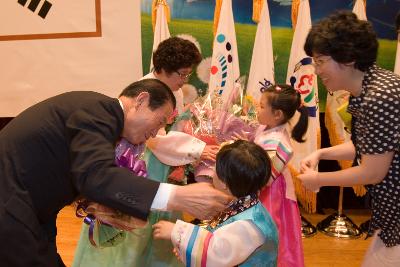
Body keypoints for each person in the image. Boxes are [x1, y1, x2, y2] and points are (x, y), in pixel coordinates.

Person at [0, 78, 231, 267]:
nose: (155, 133)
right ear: (141, 100)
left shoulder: (99, 114)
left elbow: (78, 172)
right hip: (11, 204)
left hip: (27, 206)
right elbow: (94, 175)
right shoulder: (98, 112)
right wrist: (178, 197)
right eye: (160, 121)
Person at [73, 37, 219, 267]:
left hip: (164, 164)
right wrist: (197, 147)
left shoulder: (172, 90)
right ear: (163, 69)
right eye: (181, 74)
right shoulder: (147, 92)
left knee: (156, 226)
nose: (184, 80)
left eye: (187, 75)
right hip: (139, 162)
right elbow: (155, 139)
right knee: (133, 222)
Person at [298, 10, 400, 266]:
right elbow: (372, 145)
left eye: (320, 61)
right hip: (390, 217)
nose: (317, 70)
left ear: (349, 58)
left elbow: (372, 172)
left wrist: (318, 179)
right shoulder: (368, 88)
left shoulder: (379, 97)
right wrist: (323, 153)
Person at [153, 140, 278, 267]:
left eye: (215, 169)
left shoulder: (248, 225)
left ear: (224, 184)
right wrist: (188, 247)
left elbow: (215, 255)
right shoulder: (244, 202)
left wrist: (175, 232)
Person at [251, 84, 307, 267]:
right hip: (267, 190)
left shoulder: (279, 143)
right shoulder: (267, 128)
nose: (256, 110)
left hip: (271, 194)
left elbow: (265, 179)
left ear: (277, 114)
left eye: (261, 106)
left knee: (269, 230)